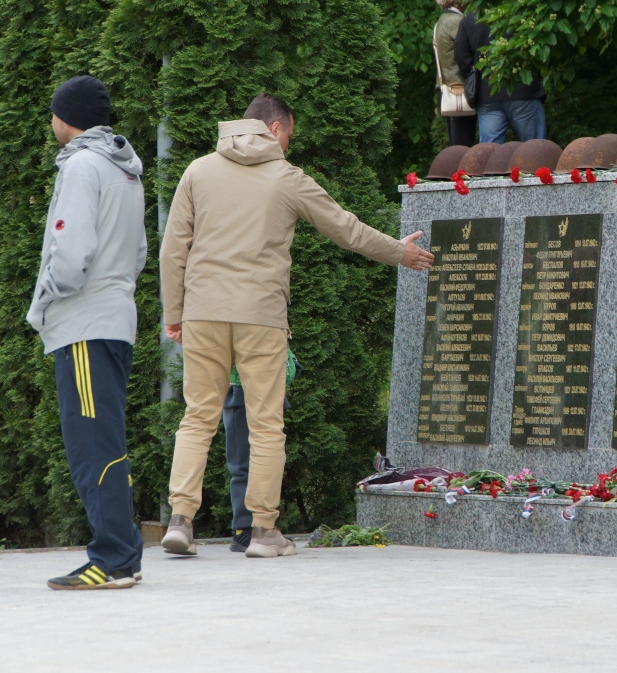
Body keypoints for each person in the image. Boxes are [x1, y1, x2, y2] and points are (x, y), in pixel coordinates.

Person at [159, 93, 434, 558]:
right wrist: (397, 251)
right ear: (275, 128)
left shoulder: (197, 171)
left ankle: (180, 521)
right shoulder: (287, 178)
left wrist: (174, 314)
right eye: (289, 134)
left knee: (197, 417)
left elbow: (172, 252)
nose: (288, 145)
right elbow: (345, 227)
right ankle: (264, 533)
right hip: (261, 316)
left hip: (202, 312)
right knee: (266, 424)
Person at [27, 75, 146, 589]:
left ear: (66, 117)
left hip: (81, 323)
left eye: (53, 112)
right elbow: (139, 252)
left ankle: (114, 557)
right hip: (115, 317)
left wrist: (46, 301)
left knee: (90, 445)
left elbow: (70, 255)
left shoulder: (80, 165)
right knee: (106, 438)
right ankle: (122, 554)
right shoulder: (125, 169)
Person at [223, 348, 298, 552]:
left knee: (243, 465)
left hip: (240, 388)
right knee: (246, 464)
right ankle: (249, 529)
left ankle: (248, 529)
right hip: (251, 388)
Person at [454, 11, 547, 144]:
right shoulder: (521, 10)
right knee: (536, 149)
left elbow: (460, 56)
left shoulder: (469, 19)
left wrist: (477, 75)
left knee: (489, 154)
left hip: (487, 92)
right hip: (523, 90)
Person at [433, 0, 476, 148]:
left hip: (446, 89)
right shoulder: (456, 22)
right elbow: (466, 54)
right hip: (459, 90)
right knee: (463, 149)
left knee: (456, 146)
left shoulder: (442, 21)